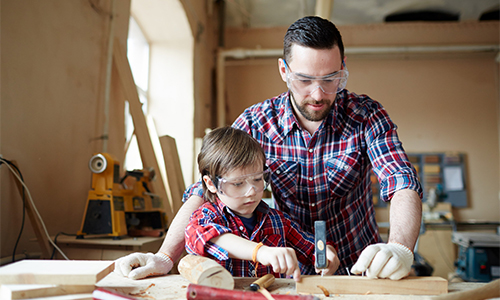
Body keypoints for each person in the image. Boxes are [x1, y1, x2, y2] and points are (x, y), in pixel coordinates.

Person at [114, 16, 422, 281]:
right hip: (290, 273)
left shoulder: (366, 115)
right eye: (304, 80)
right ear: (283, 70)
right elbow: (204, 192)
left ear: (343, 67)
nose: (318, 93)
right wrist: (166, 256)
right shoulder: (255, 123)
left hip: (362, 268)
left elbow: (402, 182)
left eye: (331, 79)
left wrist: (399, 248)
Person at [184, 126, 339, 280]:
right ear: (211, 183)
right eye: (238, 184)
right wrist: (260, 252)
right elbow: (203, 236)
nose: (251, 191)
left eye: (258, 179)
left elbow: (312, 247)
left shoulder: (278, 221)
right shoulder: (206, 216)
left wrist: (325, 253)